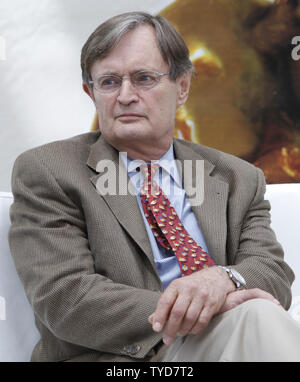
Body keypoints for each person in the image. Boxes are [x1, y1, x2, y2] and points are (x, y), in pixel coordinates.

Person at [8, 11, 300, 362]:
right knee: (256, 316)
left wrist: (221, 279)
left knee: (259, 315)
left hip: (228, 343)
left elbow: (271, 273)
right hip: (120, 360)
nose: (126, 95)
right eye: (109, 82)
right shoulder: (50, 171)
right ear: (91, 93)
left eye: (143, 78)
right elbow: (66, 297)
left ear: (183, 87)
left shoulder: (237, 176)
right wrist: (197, 306)